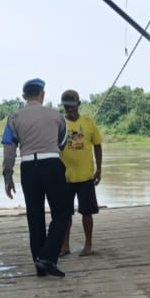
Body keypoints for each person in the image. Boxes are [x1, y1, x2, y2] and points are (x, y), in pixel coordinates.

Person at [2, 78, 72, 278]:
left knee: (35, 216)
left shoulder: (14, 118)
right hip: (51, 165)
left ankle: (39, 263)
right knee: (62, 212)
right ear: (42, 94)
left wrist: (8, 176)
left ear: (24, 96)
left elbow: (9, 149)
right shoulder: (57, 116)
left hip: (28, 168)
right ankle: (47, 257)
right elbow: (62, 143)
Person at [58, 89, 103, 257]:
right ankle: (65, 246)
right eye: (66, 106)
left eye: (72, 106)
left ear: (78, 104)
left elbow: (97, 145)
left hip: (86, 176)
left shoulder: (89, 123)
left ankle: (88, 245)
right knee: (65, 215)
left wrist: (99, 169)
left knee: (87, 212)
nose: (70, 109)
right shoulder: (60, 124)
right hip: (65, 177)